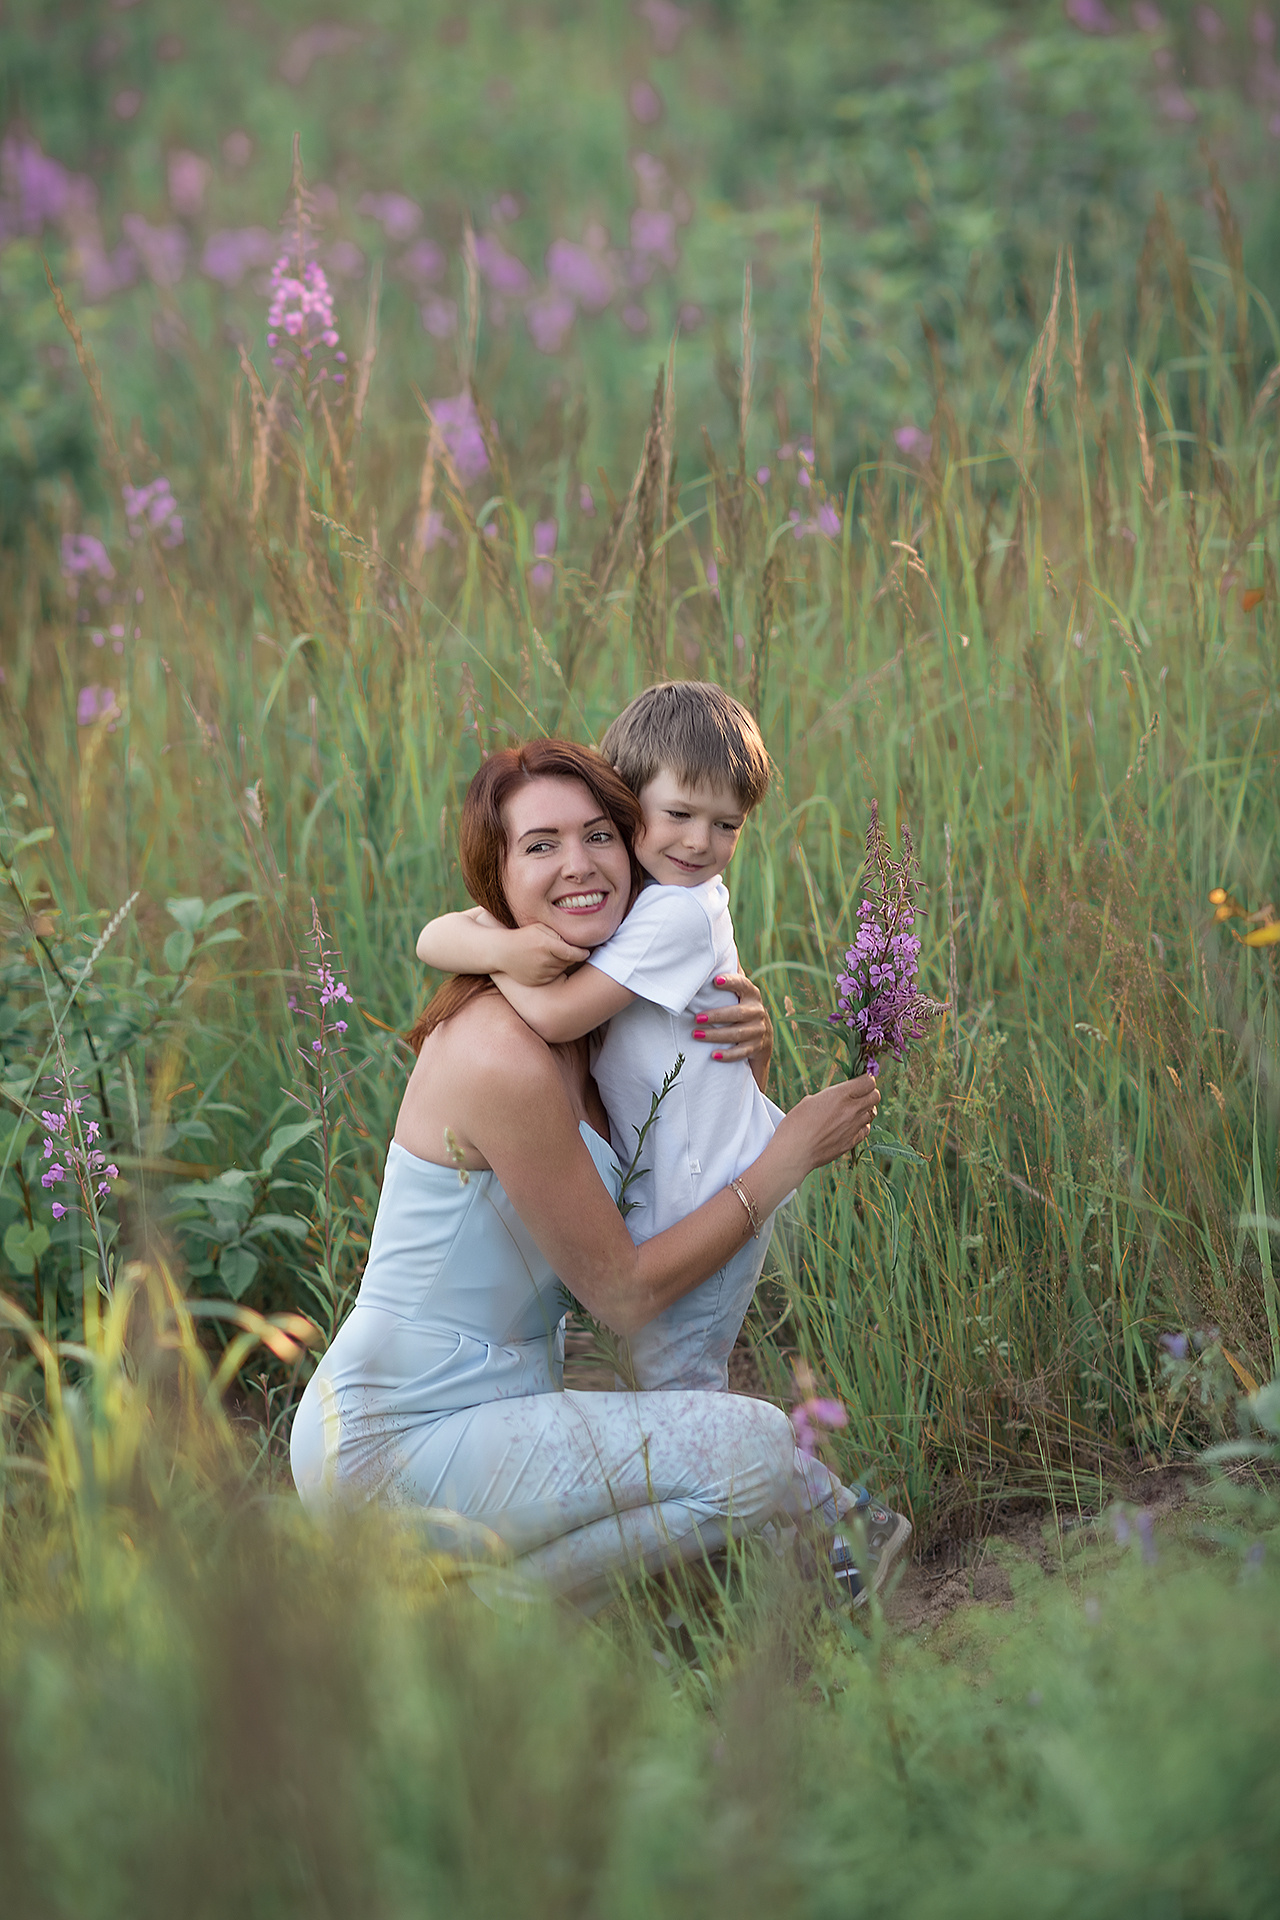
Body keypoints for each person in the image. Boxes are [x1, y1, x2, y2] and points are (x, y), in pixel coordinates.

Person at [291, 740, 886, 1614]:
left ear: (634, 842)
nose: (578, 865)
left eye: (599, 834)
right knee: (755, 1445)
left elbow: (691, 1139)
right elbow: (624, 1293)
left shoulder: (601, 1015)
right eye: (540, 845)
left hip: (503, 1405)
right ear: (498, 875)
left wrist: (748, 1054)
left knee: (698, 1445)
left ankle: (523, 1606)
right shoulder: (500, 1051)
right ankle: (450, 1621)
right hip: (394, 1438)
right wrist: (786, 1158)